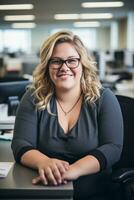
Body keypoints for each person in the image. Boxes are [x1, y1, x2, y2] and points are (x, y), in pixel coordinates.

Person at [11, 30, 123, 200]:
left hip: (95, 192)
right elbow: (20, 143)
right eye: (56, 61)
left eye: (72, 60)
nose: (64, 67)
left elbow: (113, 148)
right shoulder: (34, 97)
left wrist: (73, 170)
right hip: (45, 190)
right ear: (47, 66)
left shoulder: (104, 99)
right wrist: (44, 162)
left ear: (82, 64)